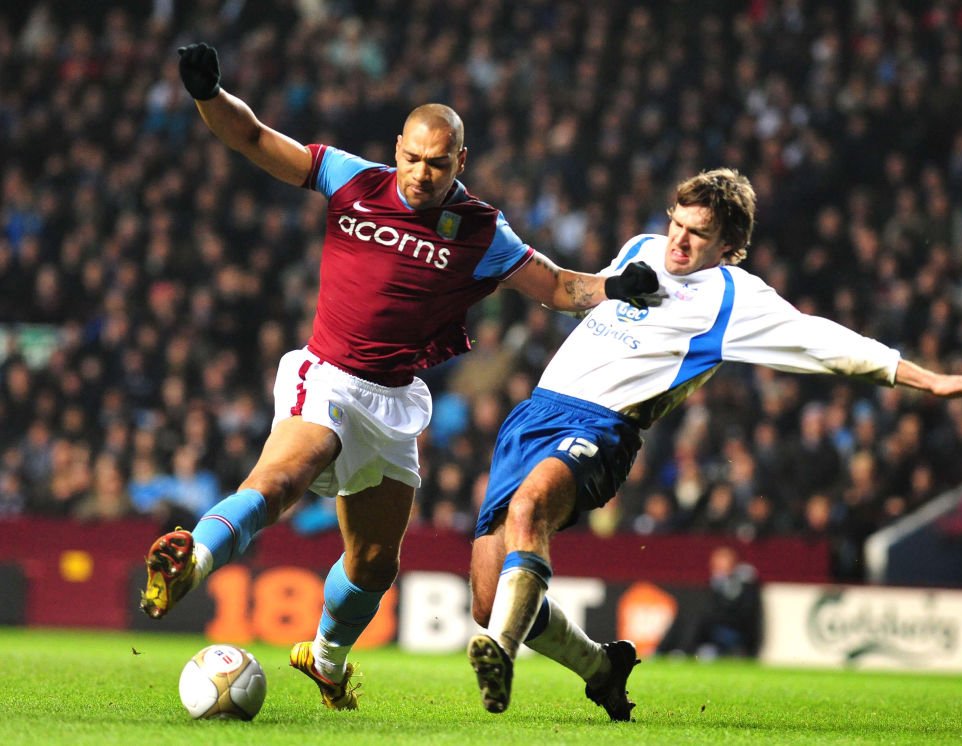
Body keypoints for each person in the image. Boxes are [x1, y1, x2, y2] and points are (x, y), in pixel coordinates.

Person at [139, 43, 660, 711]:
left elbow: (556, 286)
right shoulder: (352, 179)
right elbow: (253, 137)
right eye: (411, 158)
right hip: (326, 375)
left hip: (392, 403)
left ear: (460, 163)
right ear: (397, 148)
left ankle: (326, 659)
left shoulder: (480, 232)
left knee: (374, 564)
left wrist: (616, 286)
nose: (420, 173)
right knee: (280, 480)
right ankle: (194, 558)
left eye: (437, 164)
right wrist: (209, 94)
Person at [467, 167, 962, 719]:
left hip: (600, 429)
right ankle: (602, 668)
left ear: (728, 246)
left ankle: (500, 656)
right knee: (490, 603)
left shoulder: (734, 297)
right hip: (533, 414)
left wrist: (925, 378)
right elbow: (574, 292)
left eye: (696, 234)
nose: (677, 239)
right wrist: (604, 283)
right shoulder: (643, 247)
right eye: (676, 223)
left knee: (529, 511)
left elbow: (821, 341)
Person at [656, 545, 762, 659]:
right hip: (711, 630)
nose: (718, 568)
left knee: (698, 619)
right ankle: (663, 650)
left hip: (731, 631)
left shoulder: (742, 586)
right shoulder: (713, 585)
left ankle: (682, 650)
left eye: (722, 565)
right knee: (686, 615)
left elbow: (743, 615)